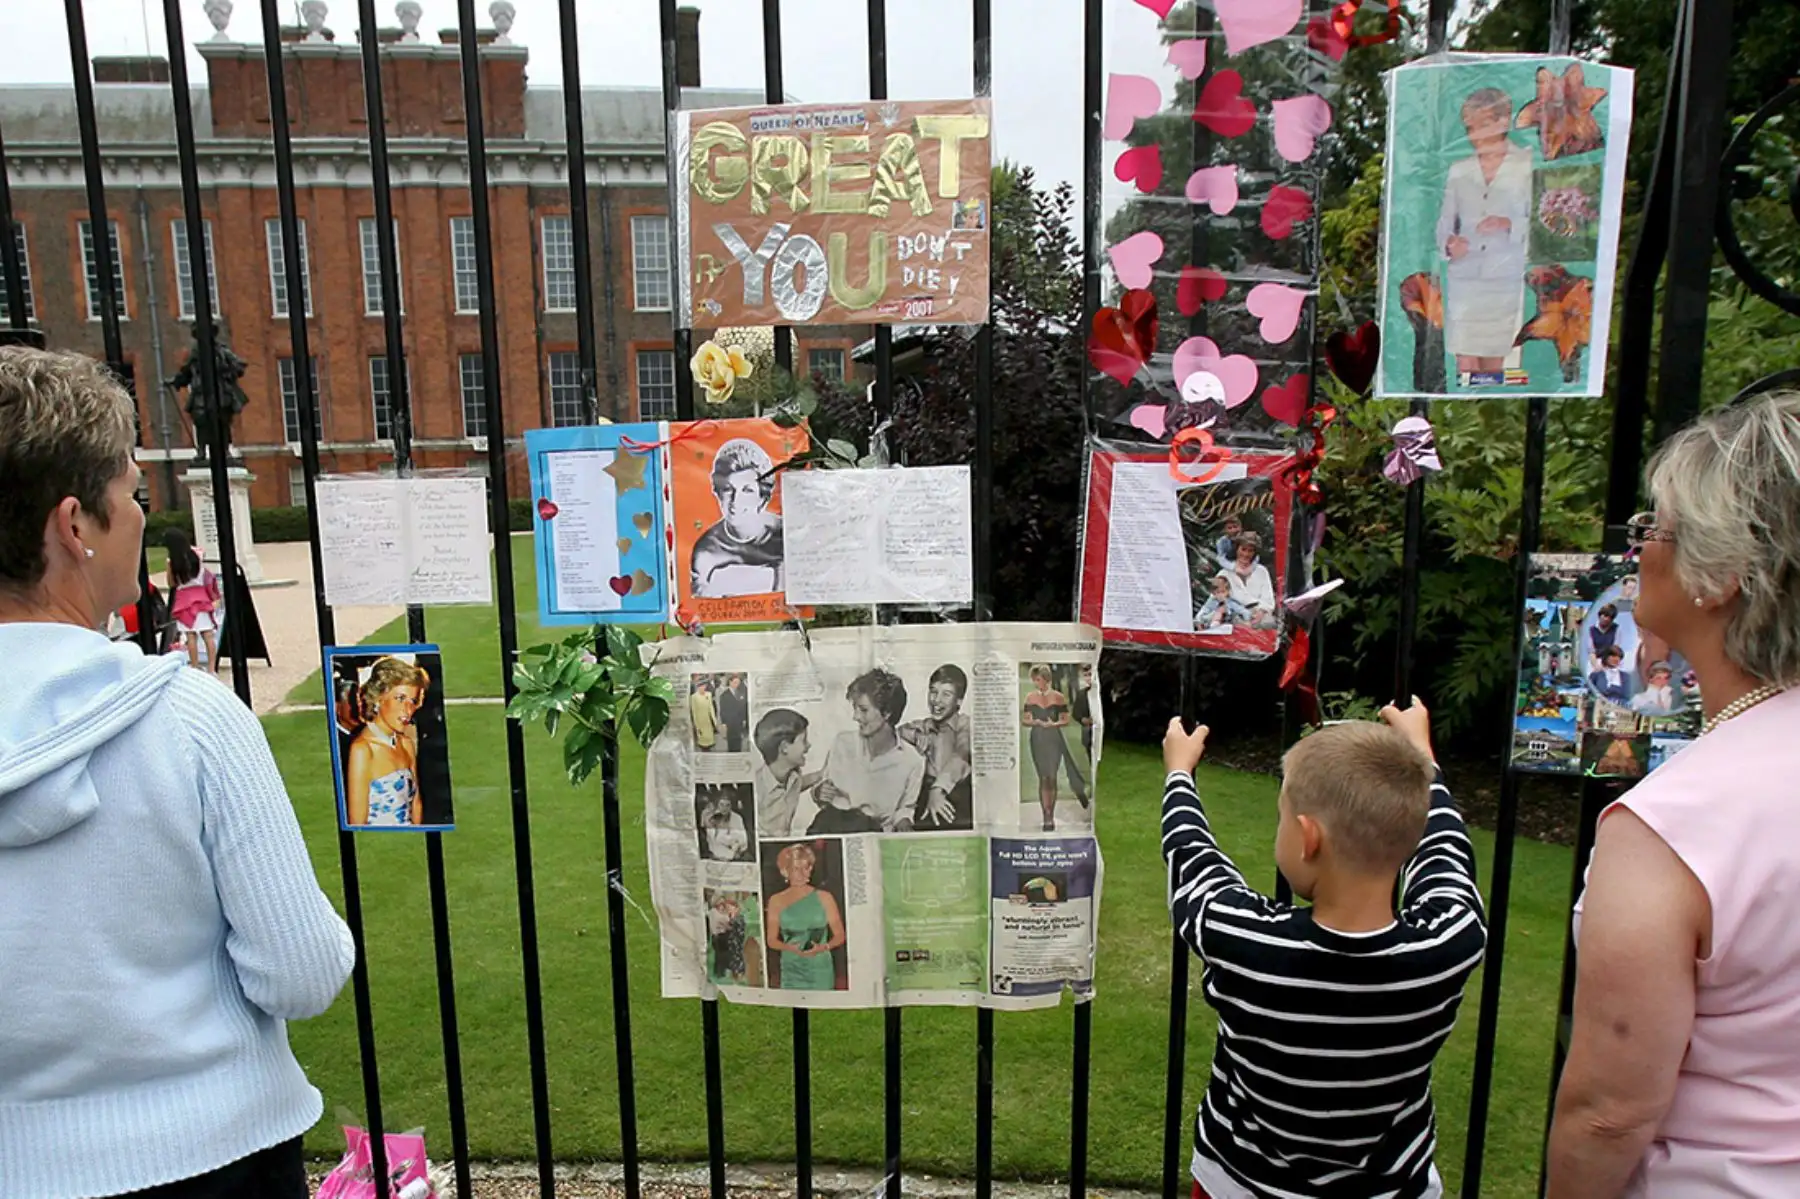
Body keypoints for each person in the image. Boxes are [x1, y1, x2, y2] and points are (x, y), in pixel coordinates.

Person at [0, 346, 353, 1199]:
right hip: (215, 1152)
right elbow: (302, 970)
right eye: (134, 495)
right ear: (74, 524)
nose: (145, 520)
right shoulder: (187, 719)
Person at [1547, 390, 1800, 1198]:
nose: (1638, 551)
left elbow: (1609, 1112)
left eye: (1652, 529)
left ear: (1721, 574)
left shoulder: (1673, 822)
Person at [1162, 699, 1486, 1199]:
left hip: (1240, 1183)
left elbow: (1193, 860)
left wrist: (1179, 775)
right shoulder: (1449, 944)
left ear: (1307, 837)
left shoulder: (1246, 943)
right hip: (1391, 1187)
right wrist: (1423, 756)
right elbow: (1446, 851)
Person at [1436, 87, 1531, 376]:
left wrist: (1508, 223)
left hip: (1505, 278)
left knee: (1497, 362)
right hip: (1465, 279)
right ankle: (1467, 407)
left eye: (1482, 124)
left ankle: (1489, 407)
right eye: (1470, 127)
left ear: (1503, 121)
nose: (1474, 134)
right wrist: (1449, 244)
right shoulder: (1459, 170)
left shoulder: (1525, 164)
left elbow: (1541, 220)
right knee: (1465, 363)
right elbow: (1443, 222)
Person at [808, 670, 925, 834]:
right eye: (855, 708)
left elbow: (905, 809)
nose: (855, 717)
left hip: (874, 834)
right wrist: (819, 792)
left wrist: (904, 824)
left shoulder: (913, 761)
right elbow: (825, 789)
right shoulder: (842, 743)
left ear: (887, 713)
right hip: (833, 827)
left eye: (863, 710)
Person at [691, 438, 784, 597]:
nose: (735, 500)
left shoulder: (784, 535)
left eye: (747, 491)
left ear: (763, 498)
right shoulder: (705, 551)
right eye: (728, 489)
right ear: (718, 493)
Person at [343, 656, 429, 827]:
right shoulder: (362, 750)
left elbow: (416, 803)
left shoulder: (406, 744)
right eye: (399, 698)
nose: (408, 710)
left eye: (412, 701)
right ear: (378, 699)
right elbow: (358, 825)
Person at [897, 664, 975, 829]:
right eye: (933, 692)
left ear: (959, 701)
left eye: (946, 694)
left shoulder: (965, 725)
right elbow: (894, 733)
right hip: (924, 796)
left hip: (956, 793)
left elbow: (962, 755)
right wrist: (916, 735)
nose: (937, 700)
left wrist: (938, 789)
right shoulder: (923, 726)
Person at [766, 843, 845, 991]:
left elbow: (840, 935)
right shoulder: (775, 900)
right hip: (791, 968)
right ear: (786, 871)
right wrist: (788, 947)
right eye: (796, 869)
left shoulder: (825, 897)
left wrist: (824, 947)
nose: (803, 873)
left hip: (820, 968)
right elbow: (771, 940)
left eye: (806, 867)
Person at [753, 708, 821, 839]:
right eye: (804, 740)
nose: (808, 745)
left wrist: (821, 774)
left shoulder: (793, 776)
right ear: (784, 748)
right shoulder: (758, 787)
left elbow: (798, 785)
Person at [163, 528, 221, 671]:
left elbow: (172, 584)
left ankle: (195, 666)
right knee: (208, 634)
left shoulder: (171, 561)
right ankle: (212, 669)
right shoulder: (197, 554)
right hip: (201, 596)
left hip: (184, 599)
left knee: (191, 636)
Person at [1022, 664, 1072, 831]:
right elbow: (1025, 719)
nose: (1036, 683)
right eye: (1034, 680)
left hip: (1054, 739)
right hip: (1037, 738)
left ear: (1046, 679)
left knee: (1052, 776)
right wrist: (1035, 722)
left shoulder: (1058, 697)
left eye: (1038, 679)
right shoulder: (1030, 697)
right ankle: (1046, 815)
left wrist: (1054, 724)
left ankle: (1051, 812)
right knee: (1043, 777)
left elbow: (1066, 719)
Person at [1222, 532, 1276, 626]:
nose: (1246, 554)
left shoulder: (1261, 571)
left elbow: (1268, 601)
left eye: (1250, 551)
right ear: (1237, 549)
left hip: (1259, 618)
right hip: (1234, 619)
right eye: (1243, 549)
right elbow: (1214, 601)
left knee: (1270, 623)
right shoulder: (1225, 573)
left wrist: (1260, 613)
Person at [702, 793, 749, 861]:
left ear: (731, 806)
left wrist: (734, 848)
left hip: (734, 854)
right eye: (721, 805)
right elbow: (712, 841)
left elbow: (742, 841)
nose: (724, 808)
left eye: (727, 805)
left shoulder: (737, 818)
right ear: (717, 805)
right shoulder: (713, 818)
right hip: (716, 854)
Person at [718, 673, 748, 753]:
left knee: (739, 741)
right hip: (730, 722)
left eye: (738, 683)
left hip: (739, 721)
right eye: (735, 682)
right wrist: (724, 723)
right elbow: (723, 710)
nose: (736, 685)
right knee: (731, 742)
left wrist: (744, 719)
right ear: (730, 682)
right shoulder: (724, 695)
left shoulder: (740, 693)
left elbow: (743, 706)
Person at [690, 676, 718, 753]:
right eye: (701, 686)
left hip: (708, 722)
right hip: (700, 722)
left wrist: (715, 722)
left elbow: (711, 708)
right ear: (698, 687)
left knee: (710, 742)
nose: (703, 688)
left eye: (704, 686)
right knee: (703, 743)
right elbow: (694, 712)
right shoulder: (694, 697)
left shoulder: (708, 694)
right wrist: (697, 726)